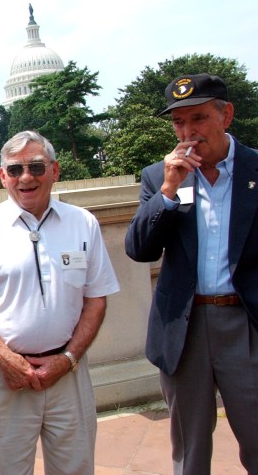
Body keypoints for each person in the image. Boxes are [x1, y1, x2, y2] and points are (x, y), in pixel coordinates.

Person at [0, 130, 119, 474]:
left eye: (37, 167)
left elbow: (96, 299)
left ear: (54, 170)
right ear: (2, 176)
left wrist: (67, 359)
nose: (26, 177)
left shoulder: (83, 223)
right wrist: (6, 360)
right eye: (15, 169)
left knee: (76, 469)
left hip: (68, 374)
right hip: (2, 377)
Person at [125, 73, 258, 474]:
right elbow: (139, 249)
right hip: (184, 328)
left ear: (226, 115)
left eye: (198, 118)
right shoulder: (158, 176)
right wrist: (167, 191)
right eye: (178, 123)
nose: (188, 132)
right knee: (189, 448)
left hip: (246, 324)